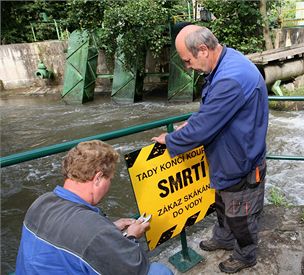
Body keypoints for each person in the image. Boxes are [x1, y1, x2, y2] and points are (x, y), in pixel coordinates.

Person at [152, 25, 268, 273]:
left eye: (187, 60)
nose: (187, 67)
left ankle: (246, 255)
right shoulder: (226, 62)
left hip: (241, 163)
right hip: (230, 157)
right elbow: (212, 112)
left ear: (203, 50)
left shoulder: (230, 79)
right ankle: (224, 238)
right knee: (223, 204)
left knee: (241, 217)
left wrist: (171, 140)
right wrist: (193, 122)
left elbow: (204, 128)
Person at [15, 140, 173, 275]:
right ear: (98, 178)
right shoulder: (94, 231)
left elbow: (70, 236)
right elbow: (134, 268)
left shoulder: (41, 202)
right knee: (158, 271)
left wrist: (109, 228)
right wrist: (131, 237)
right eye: (110, 179)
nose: (110, 184)